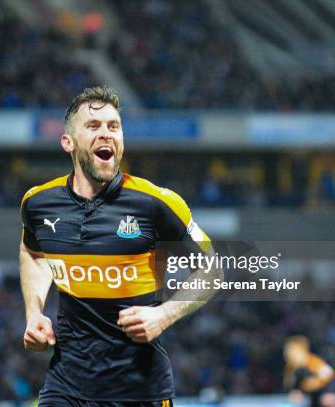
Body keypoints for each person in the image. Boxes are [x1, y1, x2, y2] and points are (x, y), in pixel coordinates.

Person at [19, 86, 222, 406]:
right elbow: (33, 252)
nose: (106, 134)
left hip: (139, 390)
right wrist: (34, 312)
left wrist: (164, 315)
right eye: (93, 126)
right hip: (67, 385)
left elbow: (212, 269)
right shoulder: (38, 203)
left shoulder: (157, 203)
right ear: (68, 142)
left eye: (114, 126)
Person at [284, 336, 335, 407]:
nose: (288, 353)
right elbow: (292, 386)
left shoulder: (312, 362)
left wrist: (330, 392)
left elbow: (331, 376)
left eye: (292, 350)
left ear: (302, 350)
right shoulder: (291, 367)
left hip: (324, 400)